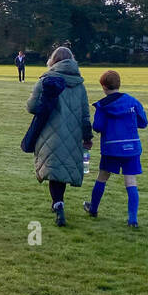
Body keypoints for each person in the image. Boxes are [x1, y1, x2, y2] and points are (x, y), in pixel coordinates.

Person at [26, 46, 91, 227]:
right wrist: (87, 136)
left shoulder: (46, 80)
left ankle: (57, 204)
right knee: (63, 166)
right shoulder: (79, 83)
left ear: (53, 60)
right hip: (73, 133)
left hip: (49, 131)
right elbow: (85, 114)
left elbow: (31, 107)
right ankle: (59, 203)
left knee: (54, 167)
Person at [83, 69, 148, 229]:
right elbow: (143, 122)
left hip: (112, 148)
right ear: (119, 84)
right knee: (131, 181)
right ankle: (133, 219)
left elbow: (97, 126)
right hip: (132, 147)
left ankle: (93, 209)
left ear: (104, 87)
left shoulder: (103, 106)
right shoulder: (132, 101)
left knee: (102, 177)